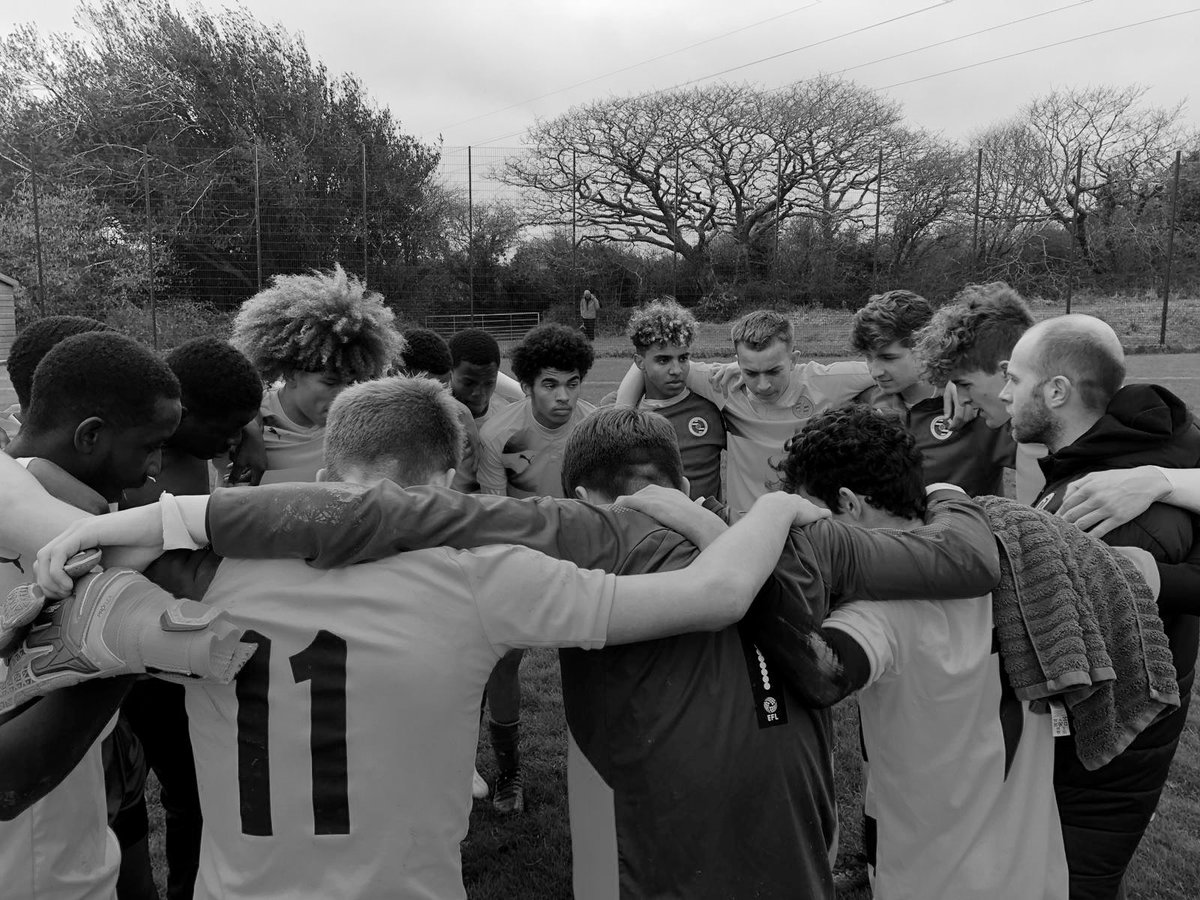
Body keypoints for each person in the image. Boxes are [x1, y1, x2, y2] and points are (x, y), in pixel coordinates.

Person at [84, 404, 1001, 899]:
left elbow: (90, 593)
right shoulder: (491, 579)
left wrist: (155, 527)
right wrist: (945, 500)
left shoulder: (202, 581)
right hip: (788, 830)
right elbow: (962, 561)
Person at [754, 403, 1067, 899]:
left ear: (847, 503)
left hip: (935, 875)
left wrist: (748, 580)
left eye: (813, 517)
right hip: (1034, 864)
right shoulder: (1016, 553)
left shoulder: (878, 609)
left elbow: (823, 674)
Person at [1000, 314, 1200, 900]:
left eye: (1014, 379)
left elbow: (1078, 663)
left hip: (1101, 754)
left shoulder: (1111, 511)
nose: (1004, 393)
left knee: (1065, 883)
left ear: (1057, 391)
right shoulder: (1141, 446)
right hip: (1116, 748)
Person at [0, 330, 183, 900]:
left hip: (69, 846)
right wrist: (126, 633)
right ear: (91, 435)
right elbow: (10, 780)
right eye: (150, 445)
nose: (155, 468)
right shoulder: (24, 502)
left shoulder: (51, 497)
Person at [115, 335, 262, 900]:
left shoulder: (197, 448)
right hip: (143, 665)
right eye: (227, 429)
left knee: (201, 794)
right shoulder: (134, 472)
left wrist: (249, 433)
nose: (231, 441)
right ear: (183, 413)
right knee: (180, 796)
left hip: (188, 649)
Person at [474, 322, 597, 811]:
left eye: (572, 383)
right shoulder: (497, 434)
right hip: (519, 557)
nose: (563, 396)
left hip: (582, 558)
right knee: (503, 661)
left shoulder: (593, 428)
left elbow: (604, 511)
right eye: (550, 384)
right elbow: (494, 515)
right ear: (525, 386)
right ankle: (509, 773)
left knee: (593, 661)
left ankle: (601, 767)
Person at [617, 308, 875, 519]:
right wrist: (620, 417)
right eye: (751, 372)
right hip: (743, 527)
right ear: (738, 362)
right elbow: (646, 362)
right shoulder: (721, 384)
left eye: (773, 371)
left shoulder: (826, 381)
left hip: (809, 526)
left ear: (794, 360)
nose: (763, 385)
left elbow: (883, 369)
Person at [230, 264, 404, 483]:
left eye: (351, 383)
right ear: (291, 373)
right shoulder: (244, 423)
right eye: (330, 382)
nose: (343, 396)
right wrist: (247, 427)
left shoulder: (360, 422)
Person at [853, 289, 1015, 495]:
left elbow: (1046, 456)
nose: (875, 371)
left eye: (888, 358)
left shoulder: (978, 408)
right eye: (868, 357)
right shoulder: (866, 402)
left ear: (925, 346)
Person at [914, 281, 1044, 501]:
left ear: (1007, 370)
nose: (962, 399)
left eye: (965, 385)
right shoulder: (1031, 427)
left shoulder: (1077, 431)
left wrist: (1114, 483)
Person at [626, 299, 726, 501]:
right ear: (640, 362)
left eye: (683, 358)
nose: (676, 370)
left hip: (706, 521)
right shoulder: (620, 411)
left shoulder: (711, 408)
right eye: (663, 360)